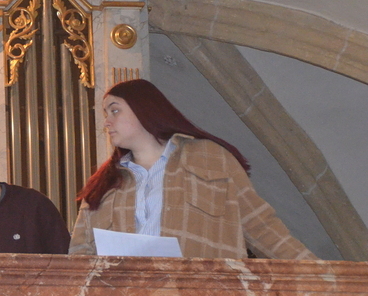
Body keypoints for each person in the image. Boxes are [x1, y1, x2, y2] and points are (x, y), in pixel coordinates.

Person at [69, 79, 314, 259]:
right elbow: (80, 253)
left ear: (144, 108)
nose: (106, 121)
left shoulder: (210, 157)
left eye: (114, 110)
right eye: (106, 113)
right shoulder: (103, 183)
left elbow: (261, 226)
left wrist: (323, 276)